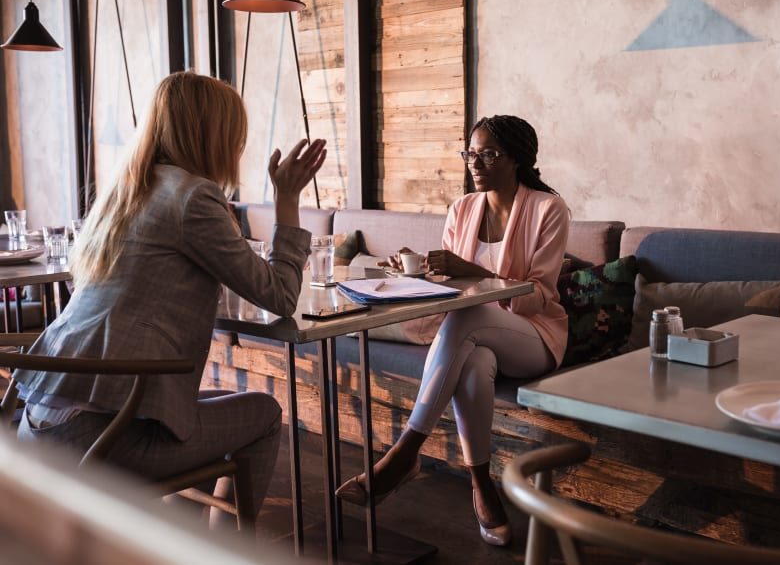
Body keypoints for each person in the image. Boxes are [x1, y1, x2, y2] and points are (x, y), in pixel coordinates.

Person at [13, 71, 326, 523]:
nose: (238, 146)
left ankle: (181, 546)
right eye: (235, 134)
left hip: (42, 422)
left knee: (188, 410)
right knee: (264, 413)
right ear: (212, 134)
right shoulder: (194, 196)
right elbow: (278, 295)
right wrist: (288, 198)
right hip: (97, 440)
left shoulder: (128, 191)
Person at [336, 115, 569, 547]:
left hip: (534, 336)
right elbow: (449, 289)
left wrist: (474, 271)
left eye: (488, 154)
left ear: (516, 158)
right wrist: (419, 269)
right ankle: (482, 486)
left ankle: (405, 452)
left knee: (467, 316)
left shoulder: (547, 209)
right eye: (470, 153)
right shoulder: (462, 209)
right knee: (475, 362)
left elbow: (537, 295)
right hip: (478, 337)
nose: (475, 163)